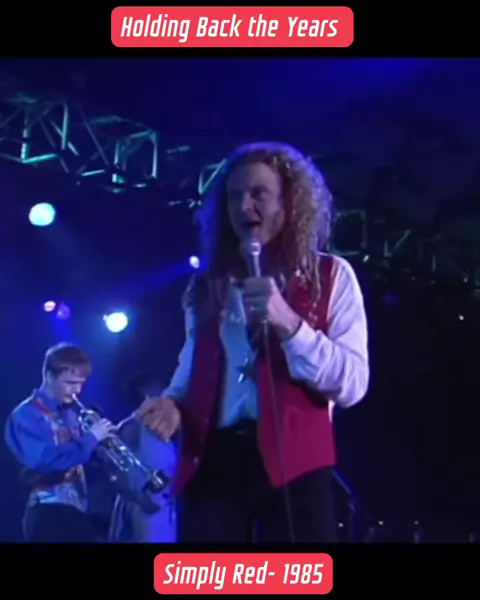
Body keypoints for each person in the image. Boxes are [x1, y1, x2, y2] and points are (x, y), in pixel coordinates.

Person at [137, 141, 370, 543]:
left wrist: (289, 323)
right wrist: (173, 404)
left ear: (288, 203)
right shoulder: (206, 285)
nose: (244, 206)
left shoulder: (332, 275)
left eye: (258, 193)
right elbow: (191, 368)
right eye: (234, 196)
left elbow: (352, 384)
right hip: (214, 459)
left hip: (296, 463)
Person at [4, 343, 116, 542]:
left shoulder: (71, 414)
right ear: (49, 376)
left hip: (79, 511)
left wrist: (102, 447)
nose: (77, 390)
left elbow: (80, 459)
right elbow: (48, 461)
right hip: (48, 513)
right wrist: (91, 438)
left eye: (81, 384)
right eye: (70, 383)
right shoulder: (26, 415)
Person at [108, 372, 177, 542]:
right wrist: (143, 499)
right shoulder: (130, 426)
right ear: (145, 393)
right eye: (159, 387)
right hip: (149, 509)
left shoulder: (168, 423)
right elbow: (116, 472)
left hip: (171, 504)